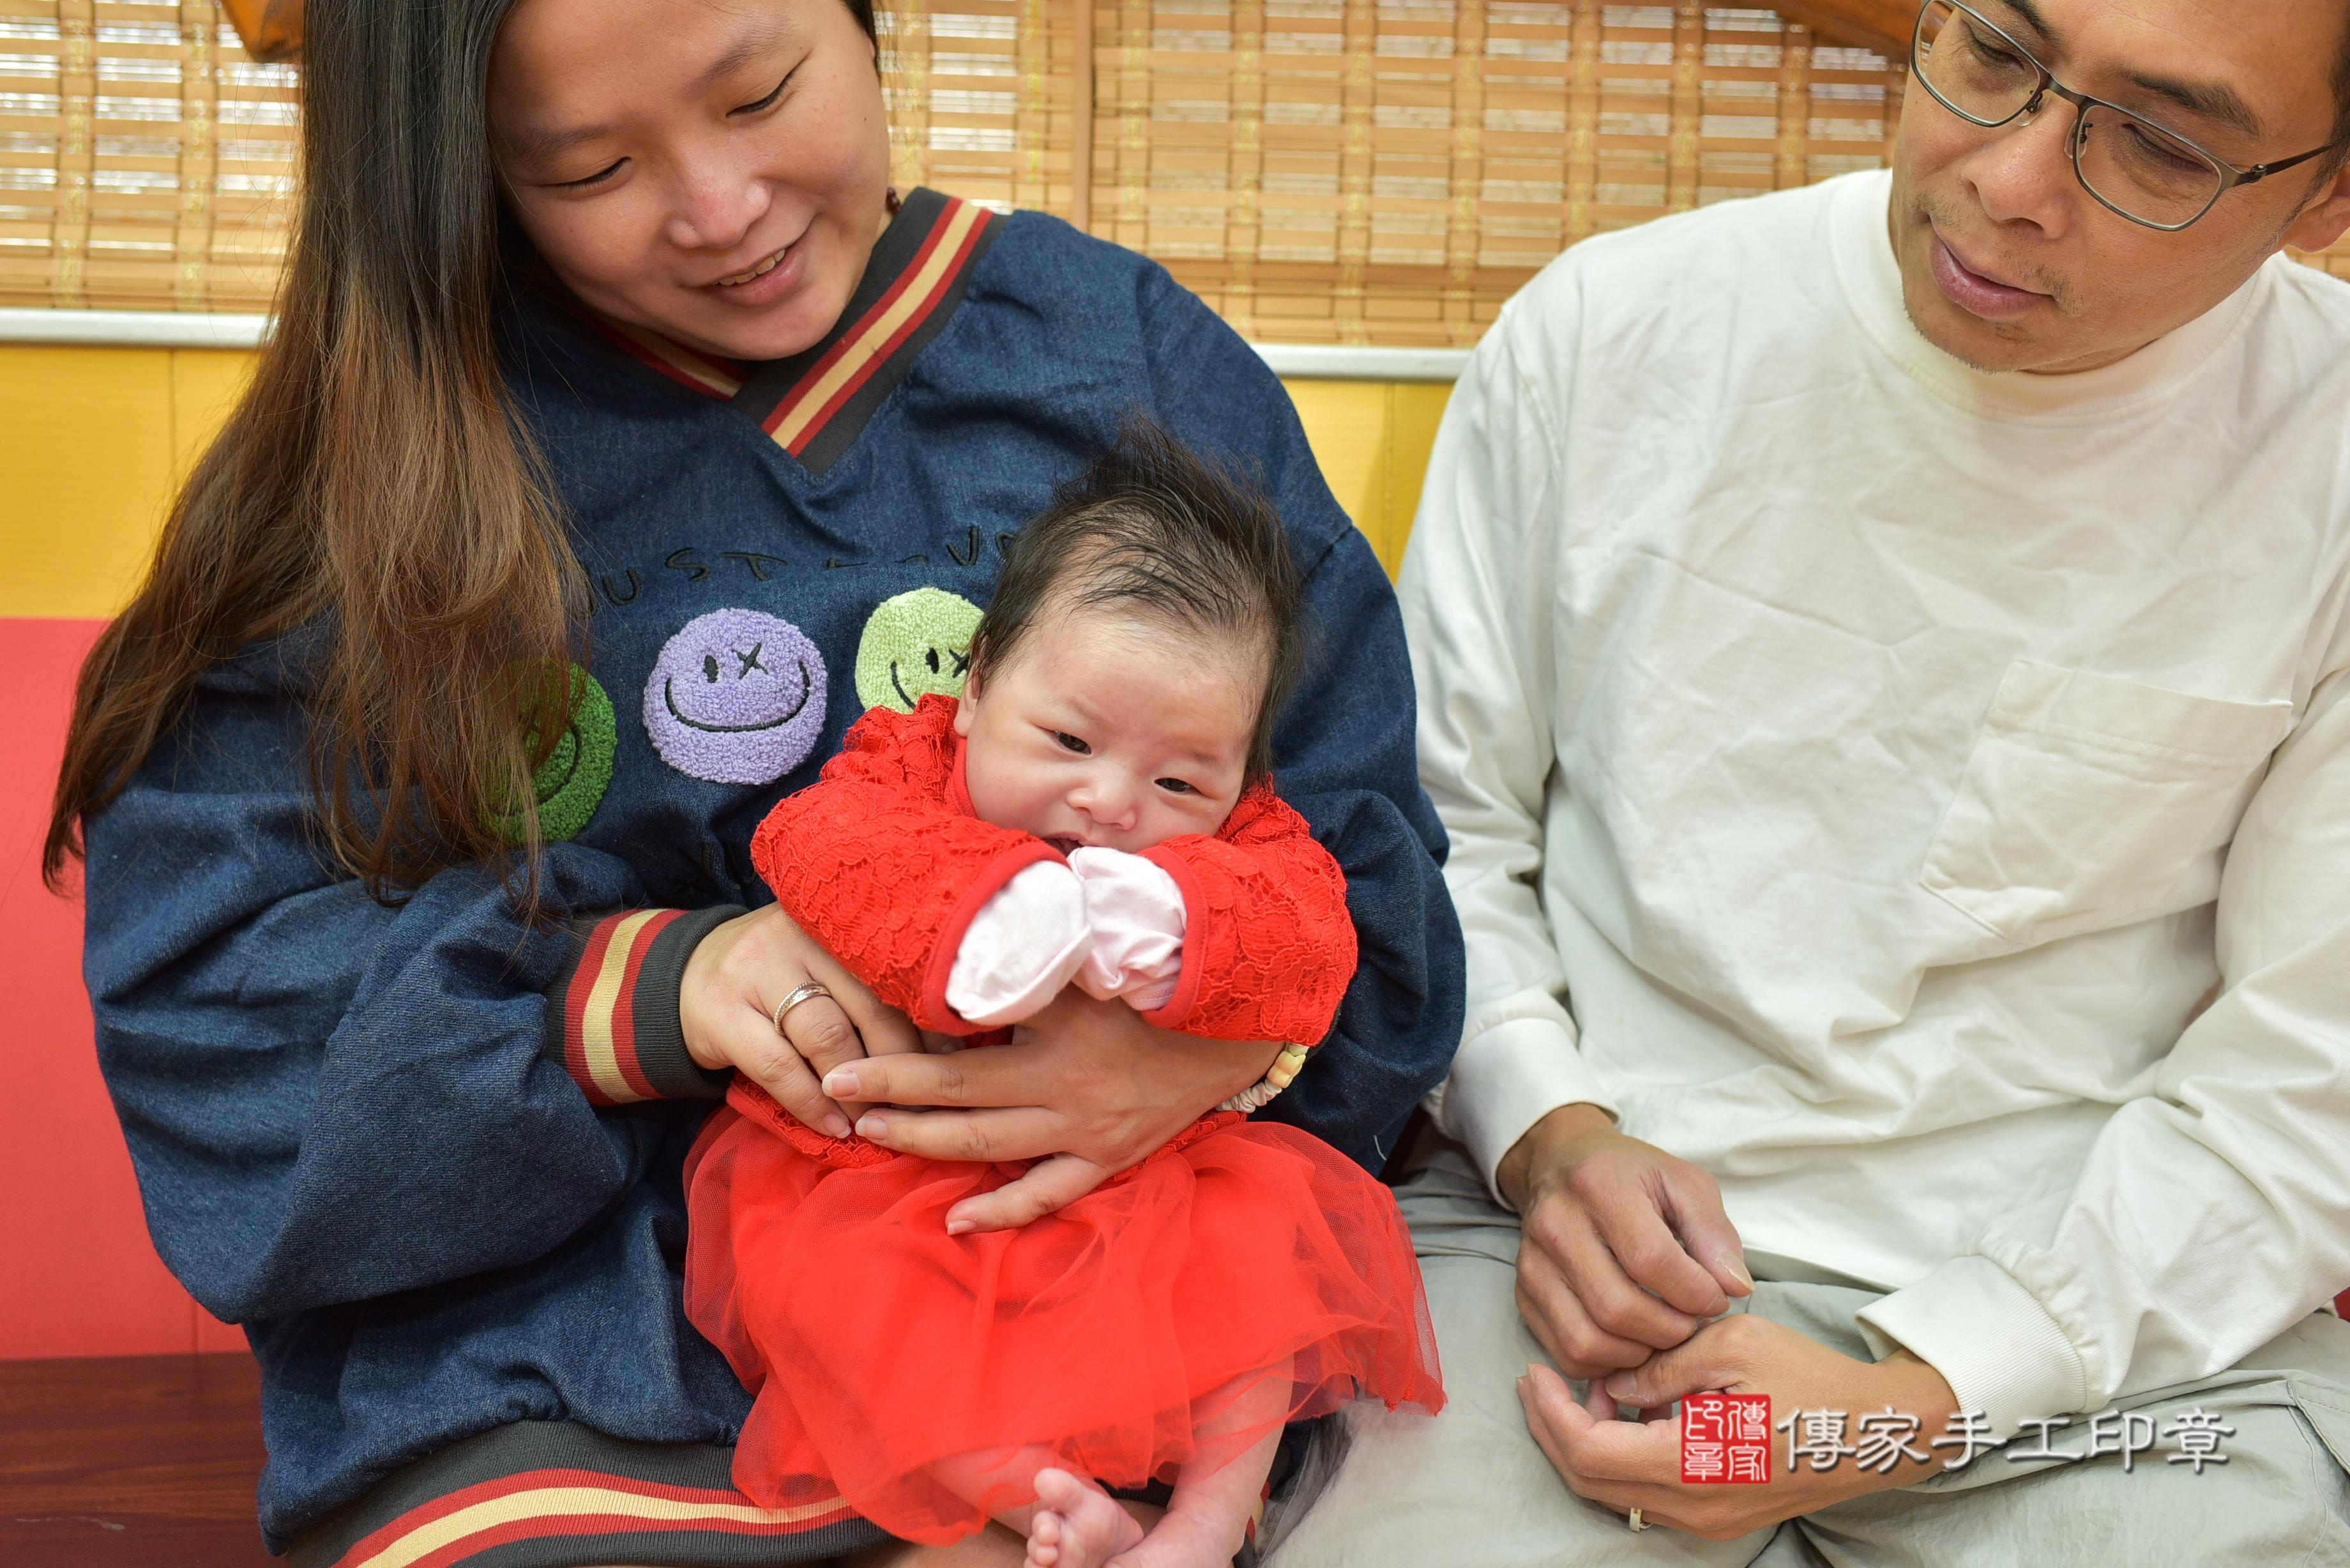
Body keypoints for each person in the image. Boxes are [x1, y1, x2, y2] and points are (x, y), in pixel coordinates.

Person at [41, 0, 1463, 1564]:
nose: (720, 214)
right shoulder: (385, 455)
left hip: (1072, 1316)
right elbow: (216, 1010)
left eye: (763, 91)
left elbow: (1355, 857)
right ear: (462, 175)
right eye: (588, 169)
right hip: (549, 1374)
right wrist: (640, 986)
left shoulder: (1114, 356)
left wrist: (1209, 1055)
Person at [1267, 0, 2350, 1564]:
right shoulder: (1615, 329)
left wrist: (1907, 1398)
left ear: (2323, 200)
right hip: (1568, 1254)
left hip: (2108, 1336)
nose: (2010, 179)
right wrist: (1550, 1131)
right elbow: (1432, 834)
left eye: (2163, 145)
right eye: (1989, 56)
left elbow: (2307, 1073)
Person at [686, 424, 1442, 1568]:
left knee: (1261, 1263)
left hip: (1149, 1174)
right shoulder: (905, 764)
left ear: (1243, 771)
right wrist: (982, 906)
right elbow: (820, 845)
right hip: (883, 1181)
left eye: (1180, 778)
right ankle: (1034, 1497)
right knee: (831, 1320)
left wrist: (1192, 927)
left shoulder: (1243, 836)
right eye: (1070, 738)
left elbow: (1312, 933)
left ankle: (1201, 1522)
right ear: (981, 679)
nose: (1108, 800)